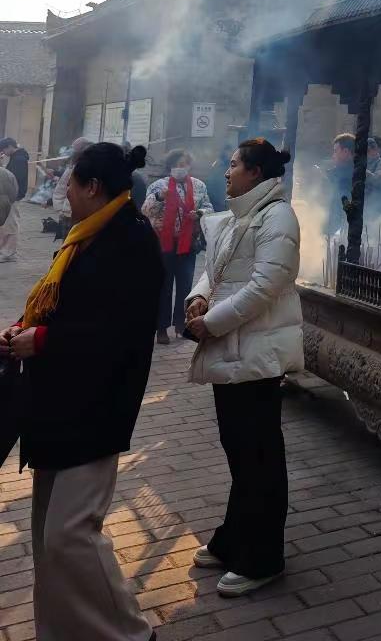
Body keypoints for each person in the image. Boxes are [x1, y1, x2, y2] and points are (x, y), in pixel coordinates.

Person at [0, 141, 162, 641]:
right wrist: (23, 327)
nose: (64, 192)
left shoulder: (131, 239)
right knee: (47, 535)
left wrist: (43, 340)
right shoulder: (87, 234)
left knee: (71, 535)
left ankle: (132, 633)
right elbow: (61, 302)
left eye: (70, 182)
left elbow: (119, 331)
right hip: (56, 401)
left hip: (96, 406)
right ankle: (59, 630)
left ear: (93, 187)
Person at [185, 136, 303, 598]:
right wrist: (199, 297)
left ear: (255, 172)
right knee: (239, 450)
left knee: (259, 455)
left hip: (256, 354)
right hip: (231, 350)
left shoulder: (278, 216)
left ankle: (264, 556)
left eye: (234, 164)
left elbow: (265, 285)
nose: (227, 170)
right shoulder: (240, 215)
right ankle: (235, 537)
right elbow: (214, 269)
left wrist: (212, 322)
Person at [144, 148, 214, 345]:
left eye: (183, 164)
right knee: (163, 287)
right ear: (170, 167)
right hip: (163, 245)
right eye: (176, 165)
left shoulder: (199, 186)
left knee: (185, 286)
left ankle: (181, 325)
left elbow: (209, 208)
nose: (179, 168)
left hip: (188, 244)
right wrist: (159, 197)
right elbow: (145, 210)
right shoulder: (159, 185)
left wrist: (199, 213)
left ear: (189, 166)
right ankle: (161, 328)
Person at [0, 139, 19, 261]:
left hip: (8, 202)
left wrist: (11, 200)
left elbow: (14, 189)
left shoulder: (17, 161)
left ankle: (8, 253)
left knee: (9, 227)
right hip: (7, 201)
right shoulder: (7, 170)